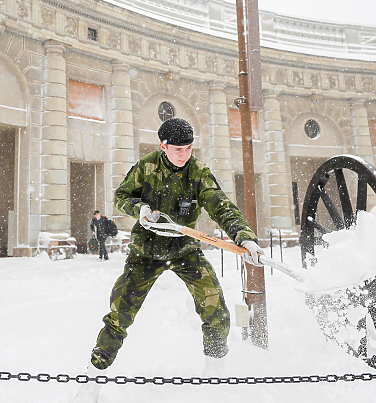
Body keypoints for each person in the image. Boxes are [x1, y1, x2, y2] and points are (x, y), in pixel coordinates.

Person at [73, 118, 265, 402]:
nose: (184, 154)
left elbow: (220, 205)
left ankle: (215, 375)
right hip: (145, 253)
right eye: (177, 149)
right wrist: (139, 208)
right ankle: (92, 381)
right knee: (120, 314)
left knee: (216, 309)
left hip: (186, 251)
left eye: (188, 148)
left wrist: (243, 236)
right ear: (162, 146)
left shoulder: (198, 172)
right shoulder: (146, 166)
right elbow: (121, 196)